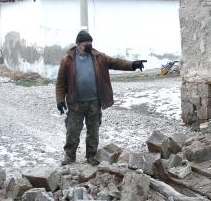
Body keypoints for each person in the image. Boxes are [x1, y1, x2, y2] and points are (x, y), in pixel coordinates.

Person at [55, 30, 145, 166]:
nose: (89, 46)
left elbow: (115, 62)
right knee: (72, 130)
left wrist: (132, 65)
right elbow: (60, 82)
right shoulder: (67, 60)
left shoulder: (98, 57)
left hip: (94, 102)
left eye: (90, 44)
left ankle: (91, 156)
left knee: (93, 130)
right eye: (86, 44)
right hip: (76, 103)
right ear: (78, 44)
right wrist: (60, 100)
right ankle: (69, 156)